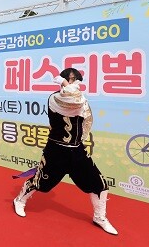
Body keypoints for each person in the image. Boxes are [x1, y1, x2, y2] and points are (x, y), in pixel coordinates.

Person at [12, 68, 118, 235]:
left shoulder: (81, 99)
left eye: (75, 79)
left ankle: (100, 217)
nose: (72, 82)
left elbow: (86, 121)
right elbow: (71, 99)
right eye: (68, 79)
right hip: (56, 150)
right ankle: (19, 199)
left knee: (99, 184)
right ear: (61, 80)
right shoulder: (55, 98)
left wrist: (80, 140)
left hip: (77, 151)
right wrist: (64, 84)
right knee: (42, 183)